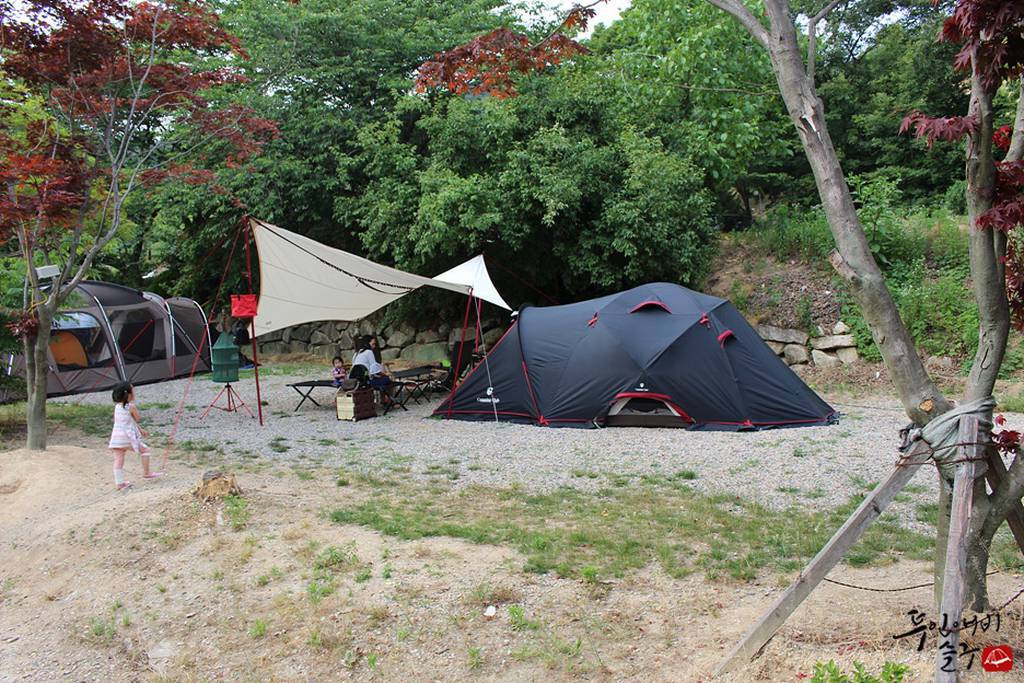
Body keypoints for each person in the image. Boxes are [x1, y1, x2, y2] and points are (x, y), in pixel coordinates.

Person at [108, 382, 159, 491]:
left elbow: (127, 421)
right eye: (133, 390)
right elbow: (137, 418)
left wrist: (140, 429)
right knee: (145, 450)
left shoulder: (117, 407)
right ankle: (146, 473)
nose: (134, 393)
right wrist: (135, 413)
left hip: (116, 438)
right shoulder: (131, 407)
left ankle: (119, 483)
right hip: (126, 437)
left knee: (118, 459)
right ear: (128, 394)